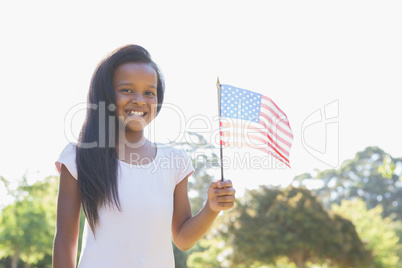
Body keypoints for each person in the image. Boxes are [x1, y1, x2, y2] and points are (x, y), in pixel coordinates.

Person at [52, 44, 236, 268]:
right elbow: (65, 238)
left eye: (149, 92)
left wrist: (211, 207)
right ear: (106, 94)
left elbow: (182, 238)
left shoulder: (174, 161)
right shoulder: (78, 155)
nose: (140, 100)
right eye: (127, 90)